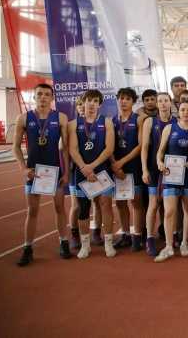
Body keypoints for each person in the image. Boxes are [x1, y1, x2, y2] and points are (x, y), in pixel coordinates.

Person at [13, 84, 71, 266]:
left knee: (60, 208)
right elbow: (15, 147)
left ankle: (64, 243)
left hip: (55, 171)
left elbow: (66, 148)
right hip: (33, 172)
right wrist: (23, 169)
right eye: (39, 94)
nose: (43, 97)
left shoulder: (60, 117)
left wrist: (67, 172)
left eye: (47, 94)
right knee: (32, 211)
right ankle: (27, 247)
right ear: (34, 97)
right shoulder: (24, 118)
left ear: (52, 98)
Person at [68, 89, 116, 259]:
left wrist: (92, 167)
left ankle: (108, 243)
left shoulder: (107, 122)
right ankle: (85, 245)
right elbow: (73, 149)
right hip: (82, 172)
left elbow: (109, 148)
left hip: (102, 171)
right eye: (89, 100)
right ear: (84, 102)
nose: (92, 104)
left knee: (105, 205)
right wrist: (85, 168)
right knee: (83, 208)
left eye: (95, 101)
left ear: (99, 105)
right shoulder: (73, 124)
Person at [154, 101, 188, 262]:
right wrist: (159, 163)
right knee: (169, 211)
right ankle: (168, 246)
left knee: (187, 209)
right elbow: (160, 151)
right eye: (183, 109)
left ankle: (184, 242)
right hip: (171, 175)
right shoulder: (169, 128)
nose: (185, 112)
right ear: (178, 112)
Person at [141, 92, 176, 257]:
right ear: (156, 104)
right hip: (154, 168)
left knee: (170, 206)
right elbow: (144, 147)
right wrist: (144, 169)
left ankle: (171, 235)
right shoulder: (150, 121)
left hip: (172, 169)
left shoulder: (176, 121)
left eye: (165, 100)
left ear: (170, 103)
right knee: (153, 204)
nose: (162, 103)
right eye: (159, 101)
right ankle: (149, 238)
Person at [111, 88, 145, 252]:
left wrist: (121, 162)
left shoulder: (139, 119)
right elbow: (108, 145)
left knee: (136, 202)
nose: (123, 101)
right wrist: (114, 164)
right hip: (116, 167)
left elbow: (141, 145)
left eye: (127, 99)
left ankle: (137, 236)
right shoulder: (112, 120)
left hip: (133, 166)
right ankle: (125, 235)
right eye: (121, 98)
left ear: (133, 101)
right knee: (120, 202)